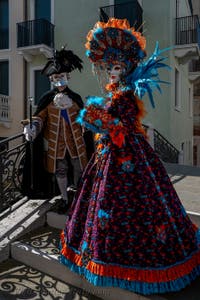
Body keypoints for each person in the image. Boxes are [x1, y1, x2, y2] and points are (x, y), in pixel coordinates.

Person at [59, 19, 200, 295]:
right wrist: (97, 118)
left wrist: (97, 119)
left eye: (118, 67)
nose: (112, 72)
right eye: (109, 67)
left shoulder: (124, 96)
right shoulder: (115, 94)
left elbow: (119, 126)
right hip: (110, 153)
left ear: (126, 69)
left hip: (127, 153)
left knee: (136, 201)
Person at [22, 47, 89, 212]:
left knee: (79, 169)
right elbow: (40, 117)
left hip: (75, 143)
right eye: (56, 77)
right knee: (60, 171)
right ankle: (65, 199)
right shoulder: (47, 99)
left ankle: (79, 198)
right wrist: (32, 127)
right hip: (57, 144)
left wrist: (87, 123)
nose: (59, 80)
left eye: (61, 77)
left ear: (68, 77)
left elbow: (84, 117)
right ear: (52, 79)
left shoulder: (75, 98)